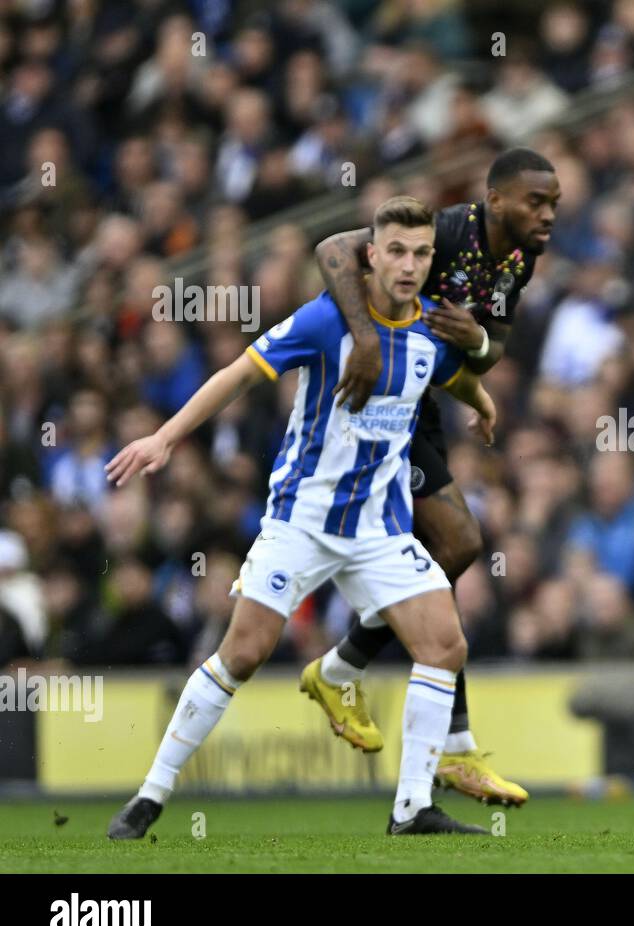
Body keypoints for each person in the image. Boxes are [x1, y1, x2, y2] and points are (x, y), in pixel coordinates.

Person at [106, 196, 497, 839]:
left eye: (420, 253)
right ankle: (149, 796)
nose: (408, 265)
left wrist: (481, 403)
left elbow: (453, 374)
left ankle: (413, 809)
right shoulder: (325, 321)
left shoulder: (432, 326)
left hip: (378, 528)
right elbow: (238, 373)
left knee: (444, 644)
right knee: (244, 653)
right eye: (395, 251)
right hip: (302, 520)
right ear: (371, 254)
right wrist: (165, 438)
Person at [300, 149, 560, 808]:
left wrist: (474, 345)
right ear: (495, 199)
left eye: (554, 203)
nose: (549, 215)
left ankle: (349, 675)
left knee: (451, 553)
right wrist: (362, 335)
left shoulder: (517, 259)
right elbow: (333, 247)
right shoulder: (444, 231)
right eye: (536, 202)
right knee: (456, 545)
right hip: (371, 396)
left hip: (419, 398)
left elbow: (491, 346)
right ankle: (442, 741)